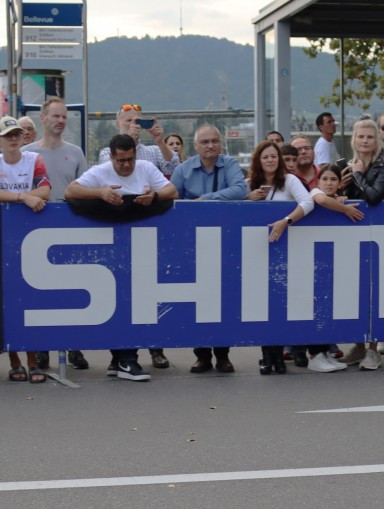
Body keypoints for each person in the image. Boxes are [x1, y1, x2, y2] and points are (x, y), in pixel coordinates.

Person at [65, 134, 178, 381]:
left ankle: (122, 360)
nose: (126, 165)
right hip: (107, 252)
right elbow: (70, 190)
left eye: (130, 160)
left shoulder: (147, 168)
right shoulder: (100, 171)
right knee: (116, 301)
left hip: (141, 251)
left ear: (135, 155)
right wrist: (100, 193)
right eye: (120, 161)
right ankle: (123, 359)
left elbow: (172, 190)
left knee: (136, 302)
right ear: (111, 157)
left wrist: (154, 197)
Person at [100, 103, 179, 369]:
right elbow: (109, 178)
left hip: (150, 229)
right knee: (120, 295)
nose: (134, 125)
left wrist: (160, 140)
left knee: (152, 292)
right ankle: (117, 357)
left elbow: (173, 169)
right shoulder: (106, 153)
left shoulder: (153, 151)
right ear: (117, 124)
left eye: (138, 121)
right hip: (120, 230)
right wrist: (128, 143)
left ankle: (156, 349)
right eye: (129, 121)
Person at [171, 124, 249, 373]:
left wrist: (205, 200)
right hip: (193, 243)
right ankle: (202, 354)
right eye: (205, 142)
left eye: (214, 141)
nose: (210, 146)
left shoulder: (230, 165)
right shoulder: (183, 170)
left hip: (226, 240)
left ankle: (223, 354)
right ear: (195, 146)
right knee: (198, 300)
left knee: (223, 297)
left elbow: (240, 190)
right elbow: (172, 197)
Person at [245, 139, 328, 374]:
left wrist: (286, 221)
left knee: (281, 304)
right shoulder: (250, 184)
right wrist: (248, 197)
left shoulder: (290, 181)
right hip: (259, 252)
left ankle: (280, 355)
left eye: (274, 156)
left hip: (288, 251)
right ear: (258, 162)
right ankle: (266, 355)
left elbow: (308, 202)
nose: (270, 160)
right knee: (262, 305)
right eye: (265, 157)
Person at [26, 97, 91, 371]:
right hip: (34, 231)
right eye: (55, 116)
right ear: (43, 118)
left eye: (64, 117)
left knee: (72, 290)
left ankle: (73, 346)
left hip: (70, 230)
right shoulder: (28, 153)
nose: (60, 121)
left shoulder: (75, 152)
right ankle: (41, 350)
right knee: (40, 293)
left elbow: (86, 189)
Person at [332, 118, 384, 370]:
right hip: (348, 235)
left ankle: (373, 350)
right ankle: (357, 345)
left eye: (369, 137)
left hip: (378, 235)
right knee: (350, 292)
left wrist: (357, 175)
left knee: (374, 292)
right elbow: (331, 194)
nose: (365, 141)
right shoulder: (340, 166)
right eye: (360, 137)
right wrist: (340, 190)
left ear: (376, 140)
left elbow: (374, 196)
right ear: (353, 140)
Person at [0, 115, 51, 383]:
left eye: (16, 134)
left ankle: (33, 362)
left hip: (28, 239)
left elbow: (46, 189)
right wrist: (24, 197)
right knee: (8, 301)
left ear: (23, 137)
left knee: (28, 299)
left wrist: (31, 196)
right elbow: (33, 194)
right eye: (7, 134)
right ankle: (14, 360)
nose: (12, 138)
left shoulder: (34, 160)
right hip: (3, 239)